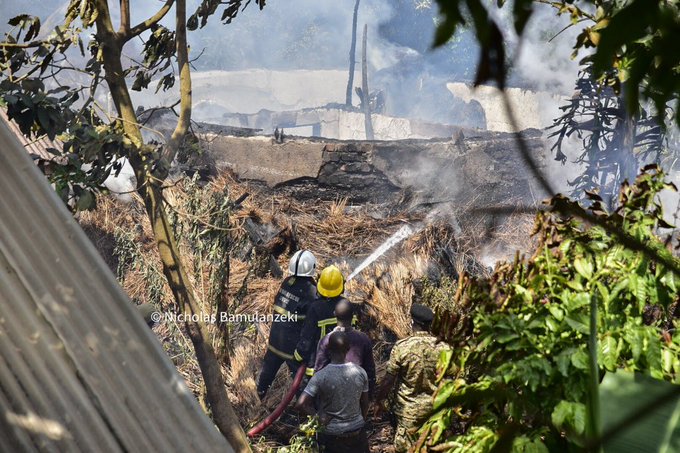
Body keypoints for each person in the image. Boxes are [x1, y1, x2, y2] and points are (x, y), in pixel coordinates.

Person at [376, 303, 450, 452]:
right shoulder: (445, 348)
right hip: (436, 412)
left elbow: (389, 380)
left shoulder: (402, 347)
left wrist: (379, 400)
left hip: (408, 415)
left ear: (412, 322)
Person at [257, 250, 318, 399]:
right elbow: (314, 314)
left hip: (275, 339)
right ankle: (304, 409)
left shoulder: (287, 282)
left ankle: (259, 395)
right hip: (292, 347)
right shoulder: (310, 290)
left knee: (267, 373)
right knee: (300, 382)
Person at [296, 331, 370, 453]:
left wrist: (318, 417)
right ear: (348, 349)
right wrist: (359, 421)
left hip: (333, 436)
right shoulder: (360, 372)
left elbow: (300, 404)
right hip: (358, 434)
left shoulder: (321, 376)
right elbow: (365, 403)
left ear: (328, 349)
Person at [293, 265, 348, 376]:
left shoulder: (315, 308)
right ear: (341, 287)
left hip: (318, 366)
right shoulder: (347, 306)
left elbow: (307, 337)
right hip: (343, 365)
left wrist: (298, 356)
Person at [314, 299, 375, 396]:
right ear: (352, 316)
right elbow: (370, 372)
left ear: (335, 314)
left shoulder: (326, 340)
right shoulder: (364, 339)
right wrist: (369, 396)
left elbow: (319, 371)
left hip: (332, 395)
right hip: (356, 394)